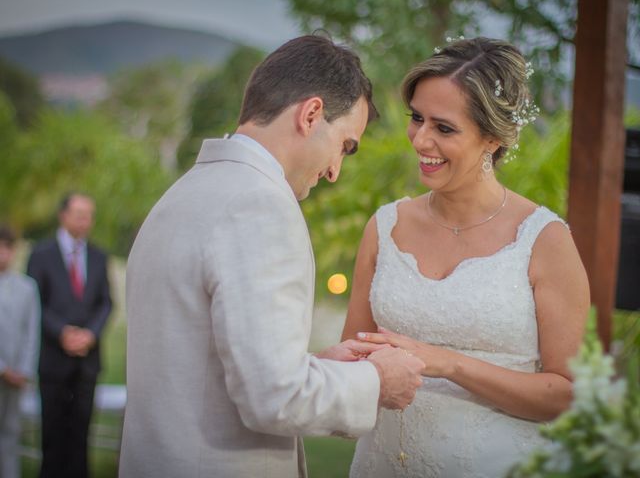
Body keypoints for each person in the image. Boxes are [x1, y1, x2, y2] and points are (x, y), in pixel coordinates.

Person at [118, 34, 425, 478]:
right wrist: (377, 382)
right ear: (311, 114)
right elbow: (274, 398)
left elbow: (205, 369)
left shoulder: (181, 195)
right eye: (345, 145)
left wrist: (313, 368)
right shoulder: (259, 206)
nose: (336, 172)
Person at [344, 37, 590, 477]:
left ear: (493, 138)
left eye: (444, 128)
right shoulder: (384, 226)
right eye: (416, 118)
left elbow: (564, 394)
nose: (420, 139)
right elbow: (351, 356)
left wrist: (451, 364)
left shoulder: (544, 240)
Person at [27, 193, 112, 478]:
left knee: (81, 434)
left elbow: (106, 302)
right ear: (63, 215)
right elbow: (35, 301)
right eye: (79, 213)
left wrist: (90, 334)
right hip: (53, 359)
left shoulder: (100, 257)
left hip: (87, 361)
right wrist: (62, 333)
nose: (85, 220)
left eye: (89, 215)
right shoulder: (41, 255)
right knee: (52, 434)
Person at [0, 225, 40, 478]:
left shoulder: (27, 287)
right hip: (3, 371)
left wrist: (24, 370)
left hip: (17, 376)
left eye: (7, 248)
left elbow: (31, 331)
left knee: (11, 431)